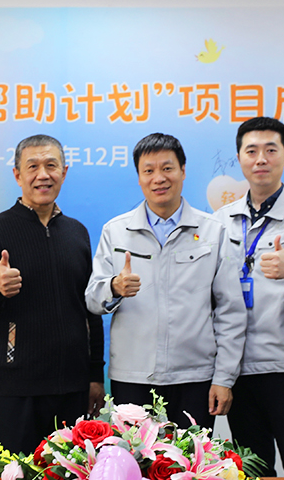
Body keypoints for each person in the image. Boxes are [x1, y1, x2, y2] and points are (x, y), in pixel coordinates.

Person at [86, 133, 244, 430]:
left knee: (193, 460)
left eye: (167, 168)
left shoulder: (213, 231)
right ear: (139, 178)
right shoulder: (116, 231)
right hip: (132, 377)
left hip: (194, 377)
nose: (158, 178)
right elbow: (92, 299)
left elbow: (230, 311)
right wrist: (114, 288)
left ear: (182, 171)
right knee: (134, 458)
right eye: (148, 170)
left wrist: (224, 378)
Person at [0, 135, 105, 455]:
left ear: (64, 173)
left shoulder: (77, 233)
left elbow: (90, 309)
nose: (43, 175)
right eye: (32, 167)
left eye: (51, 166)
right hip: (12, 390)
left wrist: (94, 376)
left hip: (70, 388)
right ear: (17, 175)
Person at [211, 117, 284, 476]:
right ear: (239, 158)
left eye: (270, 150)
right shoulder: (219, 221)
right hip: (238, 367)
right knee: (252, 474)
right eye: (251, 151)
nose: (261, 159)